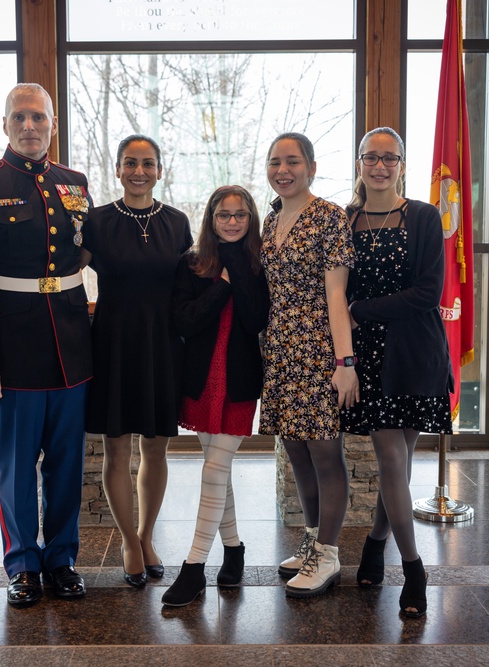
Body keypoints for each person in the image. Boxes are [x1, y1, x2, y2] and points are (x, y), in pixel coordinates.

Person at [0, 83, 93, 607]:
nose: (30, 126)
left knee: (65, 463)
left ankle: (61, 558)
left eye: (39, 117)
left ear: (53, 124)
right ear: (5, 125)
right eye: (19, 118)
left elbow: (84, 255)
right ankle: (22, 565)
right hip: (10, 352)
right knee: (14, 464)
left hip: (71, 348)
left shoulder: (74, 183)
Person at [339, 127, 454, 619]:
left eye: (390, 157)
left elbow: (430, 293)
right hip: (366, 357)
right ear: (360, 163)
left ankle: (375, 542)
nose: (380, 165)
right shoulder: (345, 219)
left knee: (399, 464)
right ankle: (413, 568)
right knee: (392, 460)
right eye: (371, 157)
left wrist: (361, 310)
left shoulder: (425, 216)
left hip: (415, 350)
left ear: (403, 164)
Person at [81, 135, 193, 587]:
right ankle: (128, 540)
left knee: (157, 445)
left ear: (160, 170)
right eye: (130, 163)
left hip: (164, 343)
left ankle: (148, 536)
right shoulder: (98, 221)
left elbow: (191, 284)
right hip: (113, 341)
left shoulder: (178, 222)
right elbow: (67, 274)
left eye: (148, 164)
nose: (139, 171)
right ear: (118, 169)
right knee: (116, 448)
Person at [161, 186, 270, 607]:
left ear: (250, 219)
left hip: (240, 380)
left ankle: (193, 569)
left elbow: (256, 318)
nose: (232, 222)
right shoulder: (192, 263)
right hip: (203, 378)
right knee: (216, 470)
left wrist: (238, 274)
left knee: (213, 470)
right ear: (210, 218)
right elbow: (185, 319)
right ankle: (235, 548)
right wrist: (221, 284)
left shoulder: (259, 264)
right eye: (223, 215)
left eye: (240, 215)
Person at [260, 132, 358, 598]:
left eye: (293, 161)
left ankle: (330, 554)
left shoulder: (329, 217)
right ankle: (313, 539)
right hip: (280, 352)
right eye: (275, 162)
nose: (284, 170)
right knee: (295, 450)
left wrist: (345, 362)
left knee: (324, 453)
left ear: (312, 167)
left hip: (319, 351)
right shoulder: (271, 218)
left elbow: (337, 295)